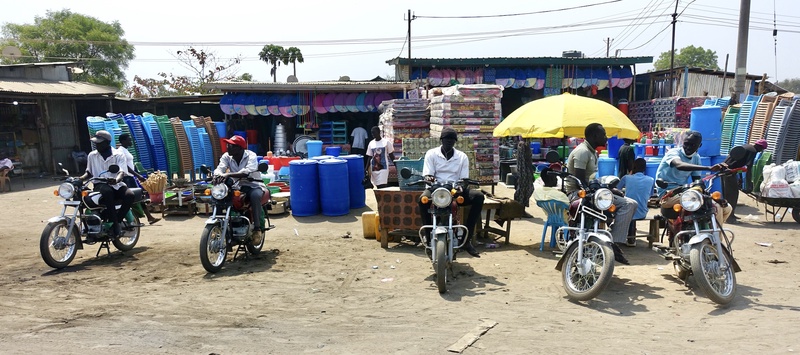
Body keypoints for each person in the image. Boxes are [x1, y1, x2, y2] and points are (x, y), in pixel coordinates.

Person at [564, 123, 638, 250]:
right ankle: (612, 245)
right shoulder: (583, 152)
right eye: (603, 135)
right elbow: (580, 181)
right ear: (594, 136)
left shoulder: (592, 152)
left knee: (631, 204)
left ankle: (613, 241)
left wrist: (609, 190)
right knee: (628, 205)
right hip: (578, 194)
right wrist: (607, 191)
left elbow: (591, 181)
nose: (606, 137)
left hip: (591, 192)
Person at [418, 127, 483, 257]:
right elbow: (428, 175)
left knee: (478, 197)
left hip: (454, 189)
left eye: (452, 139)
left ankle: (467, 239)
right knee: (422, 200)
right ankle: (428, 239)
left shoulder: (462, 157)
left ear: (455, 141)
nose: (449, 141)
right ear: (441, 140)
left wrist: (461, 187)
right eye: (446, 139)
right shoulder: (431, 154)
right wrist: (429, 179)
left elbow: (464, 179)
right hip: (435, 188)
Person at [655, 130, 730, 227]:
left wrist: (709, 196)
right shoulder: (673, 153)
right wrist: (709, 168)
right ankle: (715, 235)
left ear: (699, 146)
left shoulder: (696, 158)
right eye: (686, 144)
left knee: (726, 208)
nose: (688, 147)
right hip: (668, 194)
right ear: (683, 142)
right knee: (713, 206)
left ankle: (713, 233)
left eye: (693, 145)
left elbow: (697, 181)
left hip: (684, 191)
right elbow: (679, 165)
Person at [79, 130, 135, 238]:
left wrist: (116, 180)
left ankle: (117, 222)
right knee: (107, 191)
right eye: (96, 143)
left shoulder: (118, 155)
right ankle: (112, 223)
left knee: (130, 195)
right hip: (100, 184)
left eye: (99, 143)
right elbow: (88, 172)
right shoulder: (92, 155)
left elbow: (122, 171)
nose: (97, 145)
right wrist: (80, 179)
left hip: (116, 184)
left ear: (107, 143)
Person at [213, 135, 268, 236]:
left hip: (253, 185)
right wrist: (217, 175)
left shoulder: (251, 155)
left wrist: (228, 174)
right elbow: (220, 168)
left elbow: (246, 171)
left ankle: (257, 229)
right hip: (237, 186)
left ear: (240, 148)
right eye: (228, 145)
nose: (227, 147)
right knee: (219, 196)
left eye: (231, 145)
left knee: (255, 196)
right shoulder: (226, 156)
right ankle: (219, 224)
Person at [720, 139, 768, 223]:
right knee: (732, 195)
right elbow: (749, 168)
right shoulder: (753, 151)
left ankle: (731, 214)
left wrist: (740, 178)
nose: (761, 151)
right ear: (759, 147)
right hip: (728, 172)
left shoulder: (747, 146)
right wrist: (750, 184)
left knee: (732, 194)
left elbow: (739, 164)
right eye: (762, 149)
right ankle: (729, 218)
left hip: (727, 170)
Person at [118, 134, 161, 225]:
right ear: (123, 141)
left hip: (130, 177)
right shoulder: (120, 151)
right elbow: (125, 166)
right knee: (134, 198)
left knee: (139, 197)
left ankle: (149, 218)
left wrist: (137, 174)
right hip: (126, 177)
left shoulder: (126, 150)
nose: (131, 141)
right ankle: (136, 220)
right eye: (129, 140)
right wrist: (138, 175)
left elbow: (131, 165)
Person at [617, 158, 655, 246]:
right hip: (642, 212)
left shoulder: (626, 178)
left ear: (633, 167)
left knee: (627, 208)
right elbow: (650, 194)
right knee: (633, 208)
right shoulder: (651, 180)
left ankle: (625, 235)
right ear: (645, 168)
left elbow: (617, 190)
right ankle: (631, 237)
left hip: (627, 211)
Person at [514, 140, 534, 212]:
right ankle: (520, 210)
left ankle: (520, 209)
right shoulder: (522, 145)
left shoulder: (525, 144)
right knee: (523, 190)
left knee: (527, 189)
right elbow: (524, 160)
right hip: (524, 172)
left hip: (524, 171)